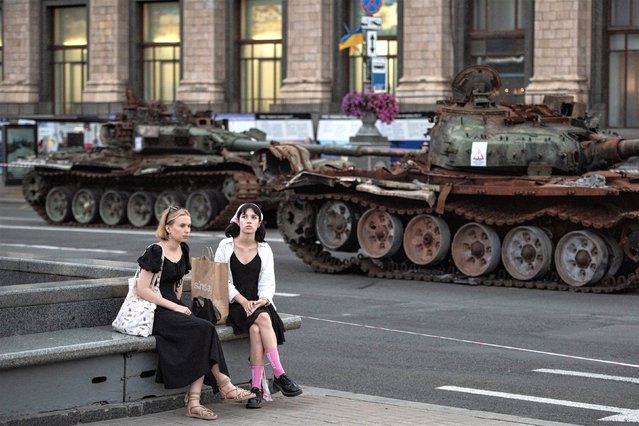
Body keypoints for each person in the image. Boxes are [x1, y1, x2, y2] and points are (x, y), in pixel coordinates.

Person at [135, 206, 254, 421]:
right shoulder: (155, 251)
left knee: (203, 329)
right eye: (182, 225)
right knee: (204, 328)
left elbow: (177, 287)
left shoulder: (183, 250)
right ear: (168, 228)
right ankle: (222, 385)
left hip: (173, 309)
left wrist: (180, 307)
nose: (187, 230)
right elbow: (142, 289)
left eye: (189, 225)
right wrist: (176, 307)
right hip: (154, 312)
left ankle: (195, 402)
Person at [214, 202, 302, 409]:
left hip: (259, 302)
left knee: (256, 329)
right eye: (245, 217)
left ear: (259, 222)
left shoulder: (265, 248)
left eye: (254, 217)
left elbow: (268, 281)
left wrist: (262, 300)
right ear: (237, 220)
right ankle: (280, 374)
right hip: (235, 305)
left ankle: (255, 389)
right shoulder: (225, 246)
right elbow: (221, 281)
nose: (249, 221)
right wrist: (243, 301)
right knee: (262, 318)